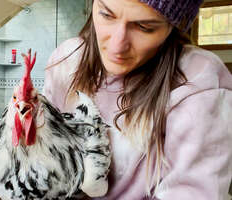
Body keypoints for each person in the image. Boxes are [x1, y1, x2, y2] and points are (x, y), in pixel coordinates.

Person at [43, 0, 232, 199]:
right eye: (107, 15)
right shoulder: (66, 60)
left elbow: (190, 192)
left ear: (173, 27)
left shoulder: (199, 81)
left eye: (144, 27)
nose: (117, 46)